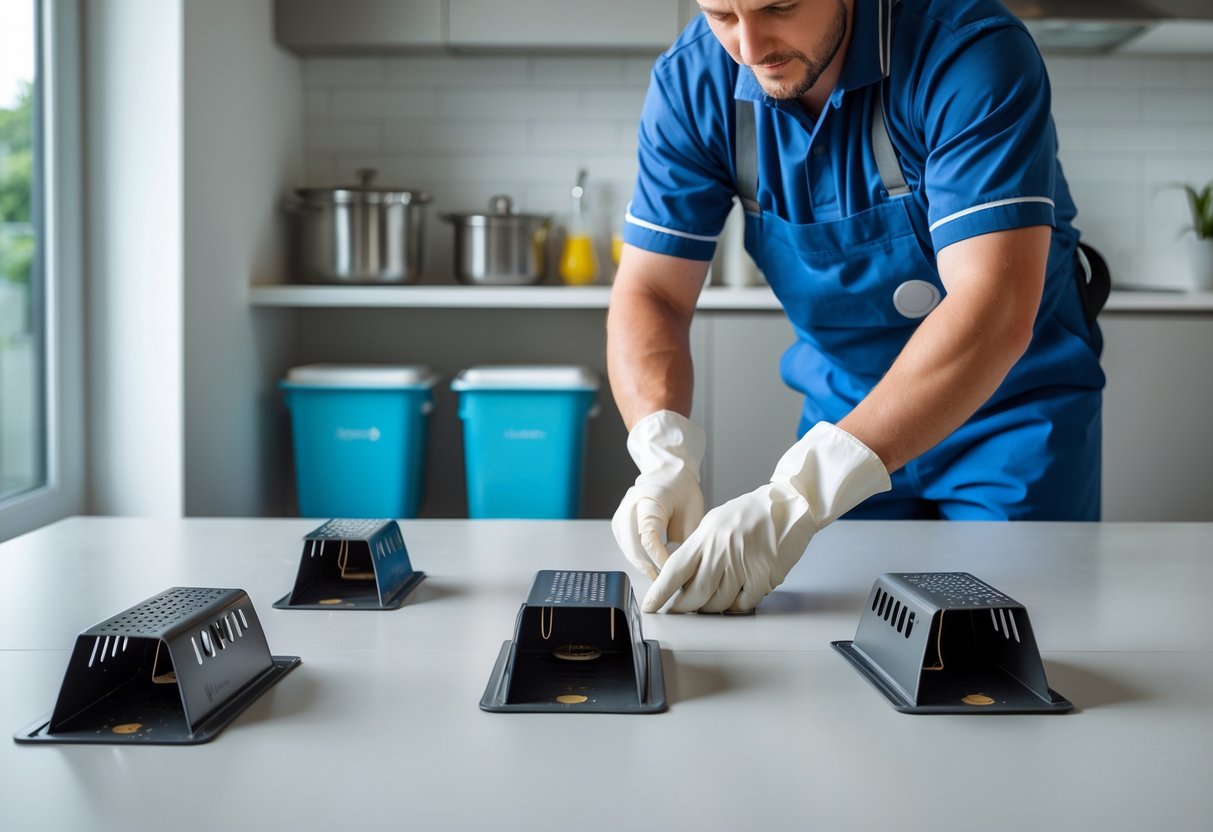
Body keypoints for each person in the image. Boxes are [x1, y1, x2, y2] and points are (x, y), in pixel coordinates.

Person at [607, 0, 1107, 615]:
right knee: (832, 657)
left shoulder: (968, 50)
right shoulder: (695, 80)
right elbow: (651, 291)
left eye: (779, 6)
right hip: (844, 416)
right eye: (722, 14)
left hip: (1012, 416)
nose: (750, 46)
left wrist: (802, 494)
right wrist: (661, 448)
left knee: (1019, 646)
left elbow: (993, 306)